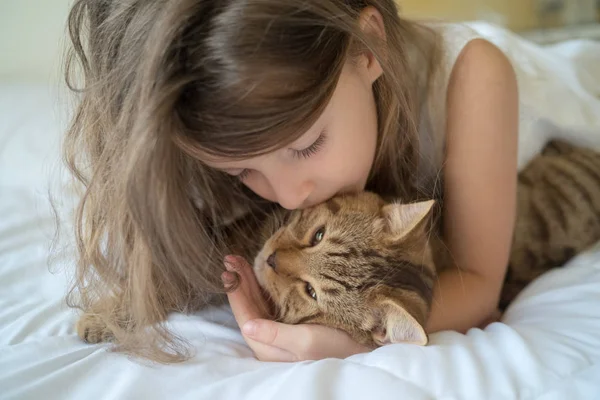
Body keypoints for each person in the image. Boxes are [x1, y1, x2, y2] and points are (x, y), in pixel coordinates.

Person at [63, 0, 600, 363]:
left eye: (305, 146)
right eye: (243, 171)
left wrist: (351, 337)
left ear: (367, 50)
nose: (290, 195)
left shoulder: (475, 74)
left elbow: (479, 283)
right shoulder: (216, 116)